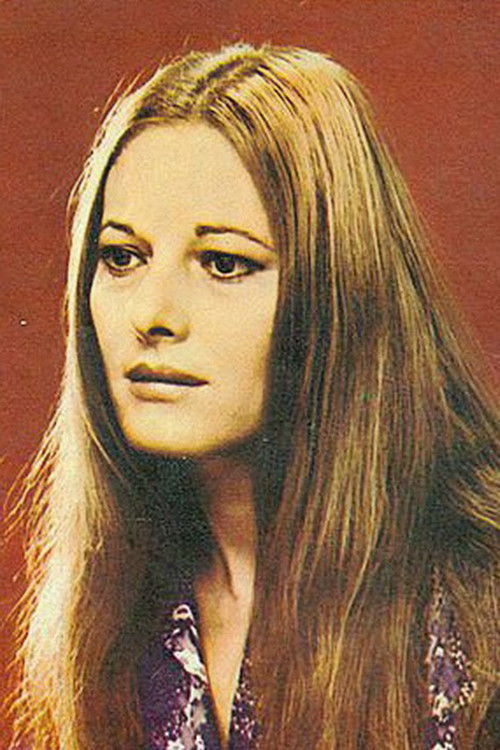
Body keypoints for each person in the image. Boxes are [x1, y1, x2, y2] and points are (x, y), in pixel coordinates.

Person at [10, 43, 499, 750]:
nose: (152, 314)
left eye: (223, 263)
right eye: (122, 257)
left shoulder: (477, 593)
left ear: (338, 293)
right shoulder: (123, 604)